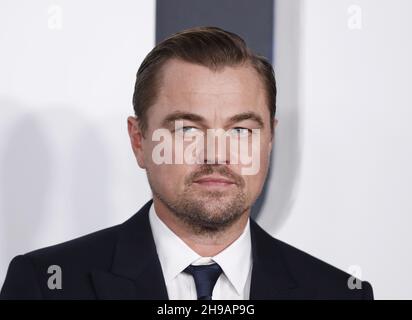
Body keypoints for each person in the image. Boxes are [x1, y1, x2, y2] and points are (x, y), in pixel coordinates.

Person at [0, 26, 373, 300]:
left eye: (241, 130)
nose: (216, 154)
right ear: (139, 141)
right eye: (186, 129)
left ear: (269, 140)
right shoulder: (45, 285)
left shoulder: (338, 294)